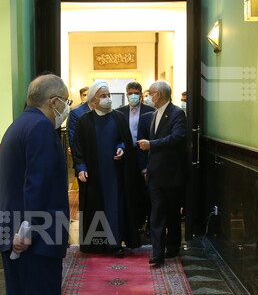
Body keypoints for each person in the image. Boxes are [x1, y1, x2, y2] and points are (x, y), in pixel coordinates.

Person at [0, 74, 79, 295]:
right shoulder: (43, 129)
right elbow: (39, 185)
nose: (67, 107)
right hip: (34, 239)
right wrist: (27, 233)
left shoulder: (17, 125)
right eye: (66, 101)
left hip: (14, 234)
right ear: (53, 101)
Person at [72, 80, 142, 254]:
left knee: (114, 207)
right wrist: (81, 167)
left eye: (108, 95)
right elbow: (78, 147)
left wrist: (122, 148)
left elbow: (124, 140)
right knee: (95, 207)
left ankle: (116, 243)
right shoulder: (84, 121)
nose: (107, 99)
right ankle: (97, 244)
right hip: (93, 174)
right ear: (93, 100)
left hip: (115, 173)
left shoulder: (118, 117)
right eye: (103, 96)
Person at [137, 80, 187, 267]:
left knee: (173, 213)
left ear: (158, 95)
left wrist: (152, 145)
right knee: (157, 213)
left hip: (172, 175)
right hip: (155, 175)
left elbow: (177, 138)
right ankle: (157, 252)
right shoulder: (152, 114)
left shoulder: (177, 113)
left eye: (150, 93)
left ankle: (172, 247)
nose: (147, 96)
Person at [116, 81, 154, 238]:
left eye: (136, 93)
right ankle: (134, 223)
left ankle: (149, 224)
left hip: (145, 153)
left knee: (147, 191)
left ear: (141, 94)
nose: (133, 96)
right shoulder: (119, 112)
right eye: (130, 93)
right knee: (131, 190)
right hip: (128, 155)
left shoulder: (150, 111)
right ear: (127, 94)